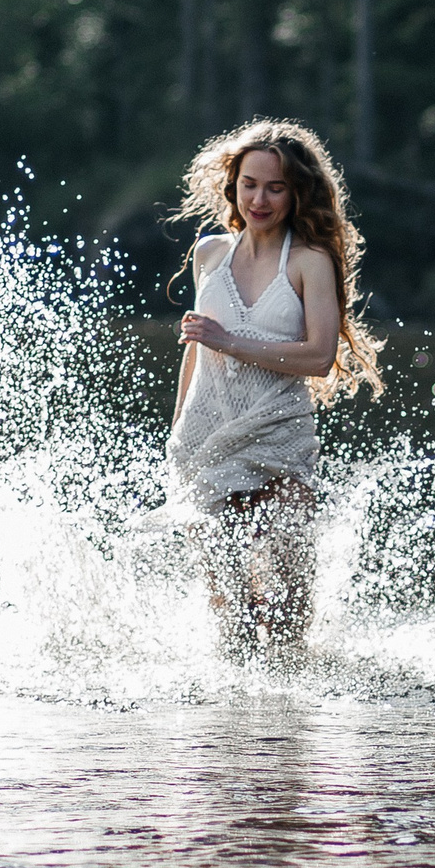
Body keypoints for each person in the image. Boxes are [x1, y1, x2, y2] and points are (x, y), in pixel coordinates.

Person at [166, 119, 384, 648]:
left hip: (278, 437)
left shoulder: (311, 261)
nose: (259, 198)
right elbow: (196, 348)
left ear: (296, 192)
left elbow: (317, 356)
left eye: (275, 186)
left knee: (286, 616)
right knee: (232, 620)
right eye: (249, 184)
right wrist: (175, 435)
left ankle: (289, 727)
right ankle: (233, 728)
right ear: (233, 185)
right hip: (205, 438)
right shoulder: (210, 254)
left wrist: (229, 341)